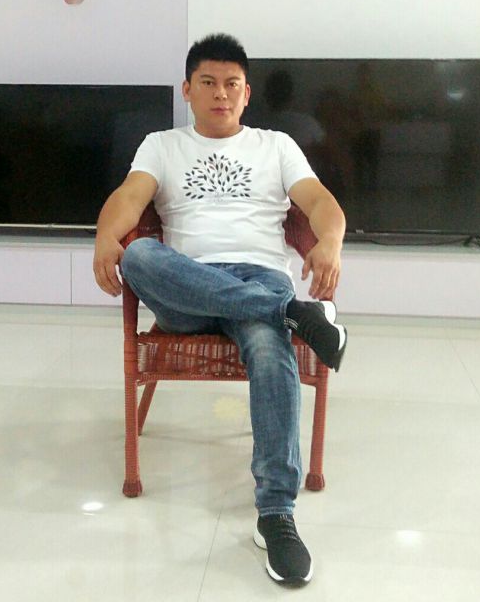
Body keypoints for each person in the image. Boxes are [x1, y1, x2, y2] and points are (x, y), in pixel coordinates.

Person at [93, 33, 347, 587]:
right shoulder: (162, 145)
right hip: (186, 288)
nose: (221, 93)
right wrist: (104, 237)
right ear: (187, 89)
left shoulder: (276, 146)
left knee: (270, 351)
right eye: (207, 82)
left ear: (247, 93)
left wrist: (331, 241)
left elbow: (320, 202)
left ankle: (276, 514)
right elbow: (130, 198)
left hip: (259, 273)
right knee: (140, 254)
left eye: (232, 84)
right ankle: (292, 311)